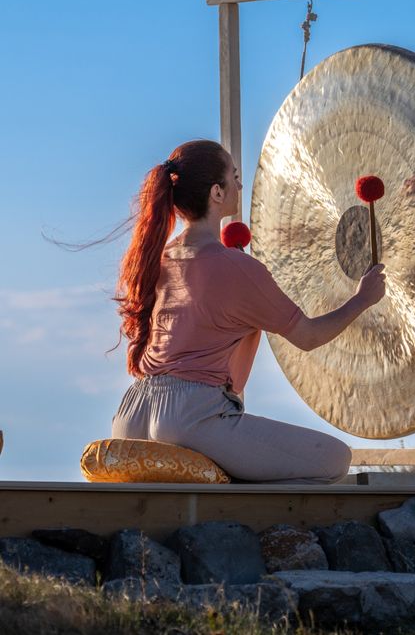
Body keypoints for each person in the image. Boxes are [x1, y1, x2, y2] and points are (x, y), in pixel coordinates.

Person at [110, 139, 386, 484]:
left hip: (132, 412)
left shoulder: (162, 256)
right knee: (333, 459)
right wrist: (362, 299)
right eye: (234, 177)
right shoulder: (237, 267)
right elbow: (309, 336)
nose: (240, 186)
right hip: (190, 418)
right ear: (216, 193)